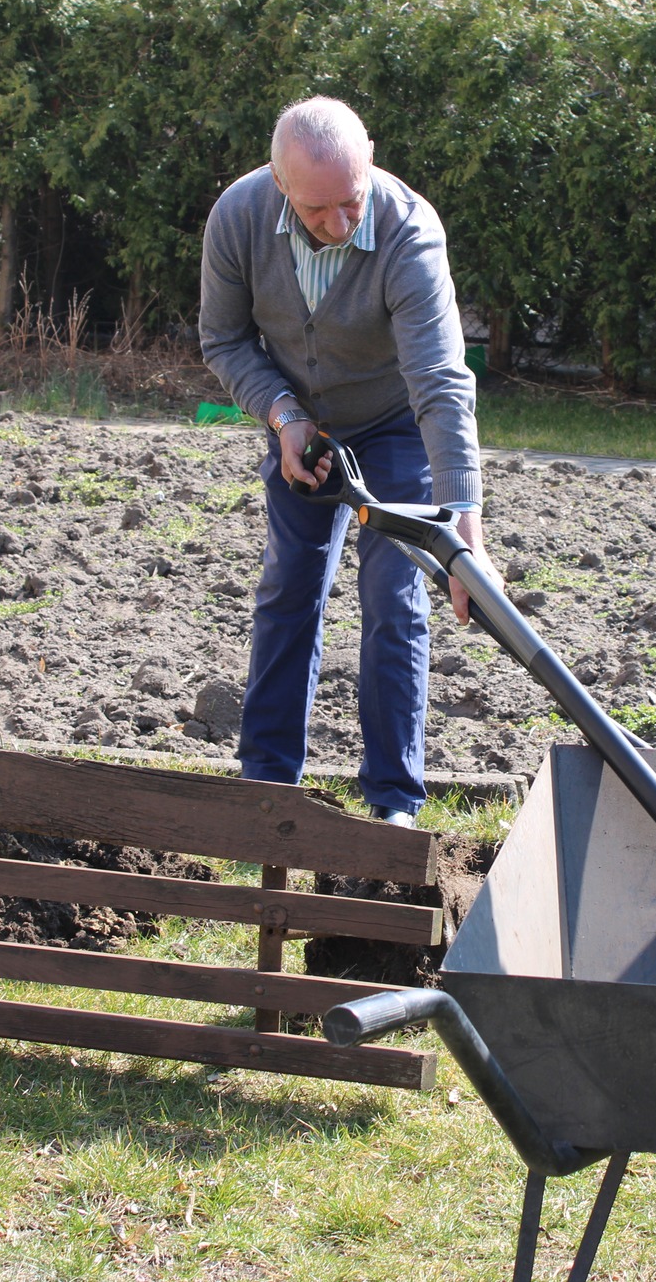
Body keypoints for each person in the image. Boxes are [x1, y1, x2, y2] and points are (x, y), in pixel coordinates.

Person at [199, 97, 489, 828]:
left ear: (370, 158)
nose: (340, 223)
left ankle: (393, 802)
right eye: (318, 210)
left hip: (394, 427)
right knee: (288, 590)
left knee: (395, 599)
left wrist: (464, 525)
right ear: (279, 182)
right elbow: (224, 341)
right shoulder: (237, 218)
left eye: (351, 200)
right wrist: (283, 413)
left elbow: (441, 383)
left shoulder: (408, 232)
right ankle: (267, 788)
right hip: (300, 425)